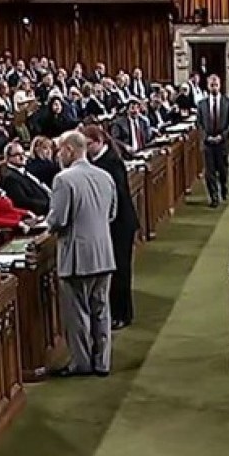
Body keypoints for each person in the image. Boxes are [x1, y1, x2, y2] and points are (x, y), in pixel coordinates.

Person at [48, 130, 117, 378]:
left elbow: (58, 220)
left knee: (77, 313)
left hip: (76, 256)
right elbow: (112, 214)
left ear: (69, 149)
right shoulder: (105, 176)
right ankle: (103, 362)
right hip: (103, 252)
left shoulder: (63, 180)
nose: (57, 155)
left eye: (59, 150)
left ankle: (82, 363)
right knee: (101, 309)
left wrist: (47, 222)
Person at [83, 125, 140, 330]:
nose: (86, 149)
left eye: (88, 144)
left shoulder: (111, 163)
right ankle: (119, 312)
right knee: (116, 270)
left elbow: (114, 197)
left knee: (121, 270)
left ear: (99, 141)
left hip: (120, 224)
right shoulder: (103, 161)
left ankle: (122, 314)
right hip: (115, 224)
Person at [197, 74, 229, 208]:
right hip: (208, 143)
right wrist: (206, 136)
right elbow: (199, 123)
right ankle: (214, 196)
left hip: (222, 142)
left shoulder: (227, 102)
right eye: (211, 85)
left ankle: (223, 187)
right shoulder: (201, 104)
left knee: (223, 170)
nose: (214, 87)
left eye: (216, 85)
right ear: (208, 86)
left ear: (220, 85)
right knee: (209, 172)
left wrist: (222, 136)